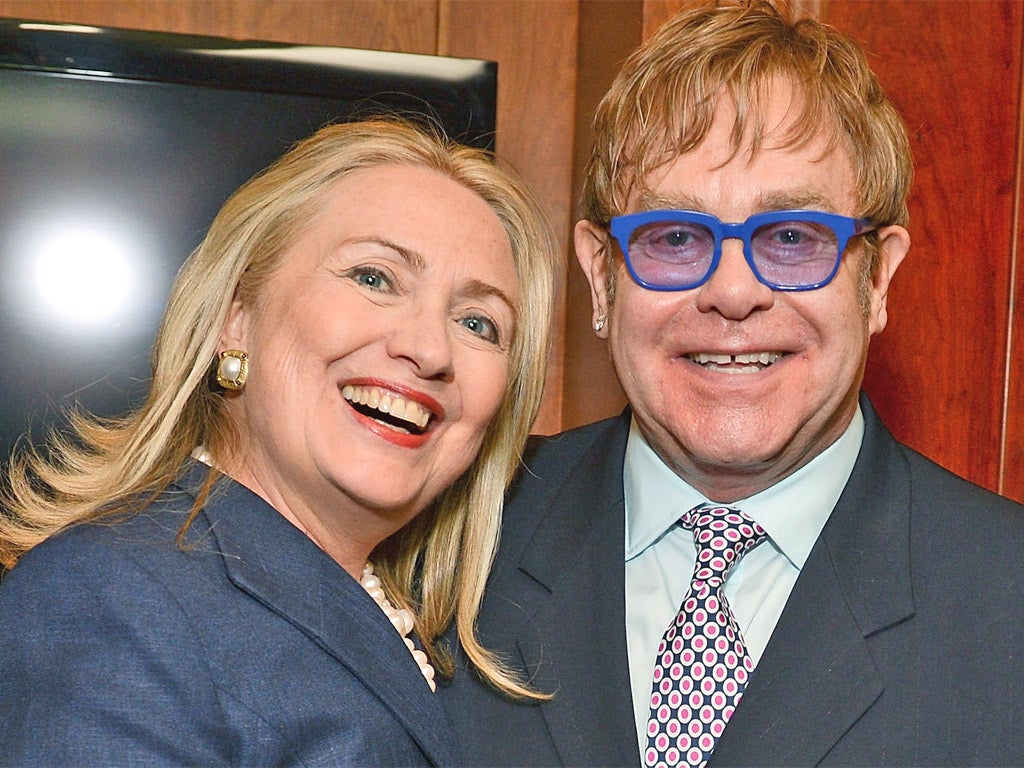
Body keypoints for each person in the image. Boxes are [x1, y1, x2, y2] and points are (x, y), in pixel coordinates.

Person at [440, 3, 1024, 767]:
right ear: (601, 278)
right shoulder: (450, 544)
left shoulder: (1006, 599)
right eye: (676, 237)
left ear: (877, 276)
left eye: (790, 237)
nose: (734, 291)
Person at [0, 118, 558, 766]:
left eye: (478, 322)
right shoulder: (107, 596)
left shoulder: (428, 637)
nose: (430, 349)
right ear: (236, 317)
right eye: (374, 278)